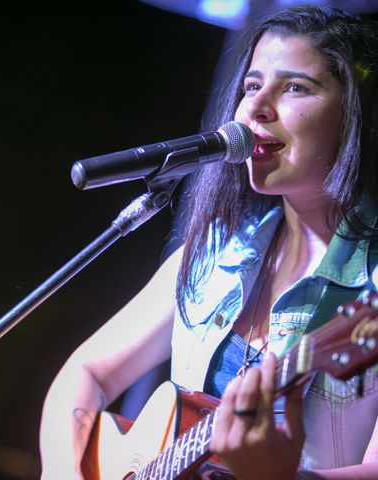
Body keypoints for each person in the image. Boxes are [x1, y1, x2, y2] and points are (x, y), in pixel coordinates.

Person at [39, 5, 378, 479]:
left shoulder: (369, 297)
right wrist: (62, 471)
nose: (257, 108)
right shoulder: (216, 253)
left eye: (295, 87)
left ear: (358, 114)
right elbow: (87, 372)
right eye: (252, 86)